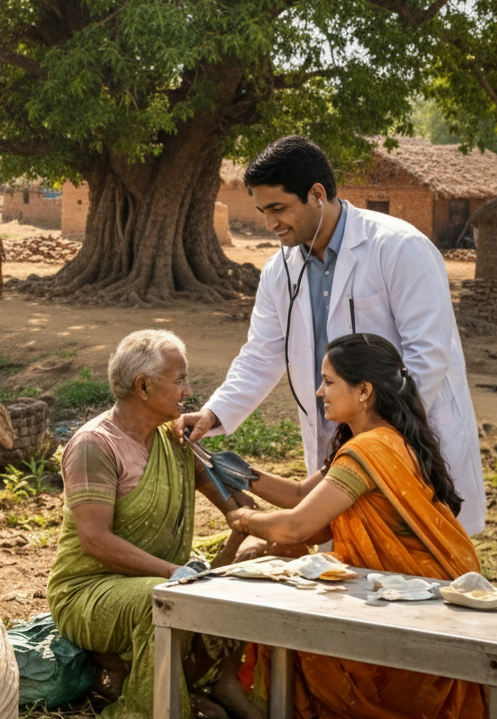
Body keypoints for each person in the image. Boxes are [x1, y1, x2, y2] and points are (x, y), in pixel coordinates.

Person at [178, 135, 485, 535]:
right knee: (349, 558)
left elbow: (428, 358)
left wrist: (376, 437)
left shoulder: (398, 247)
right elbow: (262, 355)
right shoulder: (279, 271)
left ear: (317, 194)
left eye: (279, 208)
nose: (270, 224)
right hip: (339, 439)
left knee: (419, 560)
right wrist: (212, 414)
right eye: (262, 210)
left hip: (407, 436)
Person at [224, 334, 485, 718]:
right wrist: (232, 471)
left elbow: (298, 526)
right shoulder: (382, 440)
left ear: (364, 391)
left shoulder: (369, 451)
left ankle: (243, 694)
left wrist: (243, 520)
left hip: (410, 596)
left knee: (284, 598)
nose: (318, 391)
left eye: (329, 381)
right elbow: (299, 496)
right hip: (419, 585)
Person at [47, 330, 254, 719]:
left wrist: (244, 512)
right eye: (179, 380)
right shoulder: (95, 445)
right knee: (159, 600)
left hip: (167, 579)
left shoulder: (174, 441)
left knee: (254, 567)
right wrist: (175, 573)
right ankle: (156, 708)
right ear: (143, 386)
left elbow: (239, 508)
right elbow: (95, 541)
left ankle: (218, 684)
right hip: (88, 591)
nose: (188, 390)